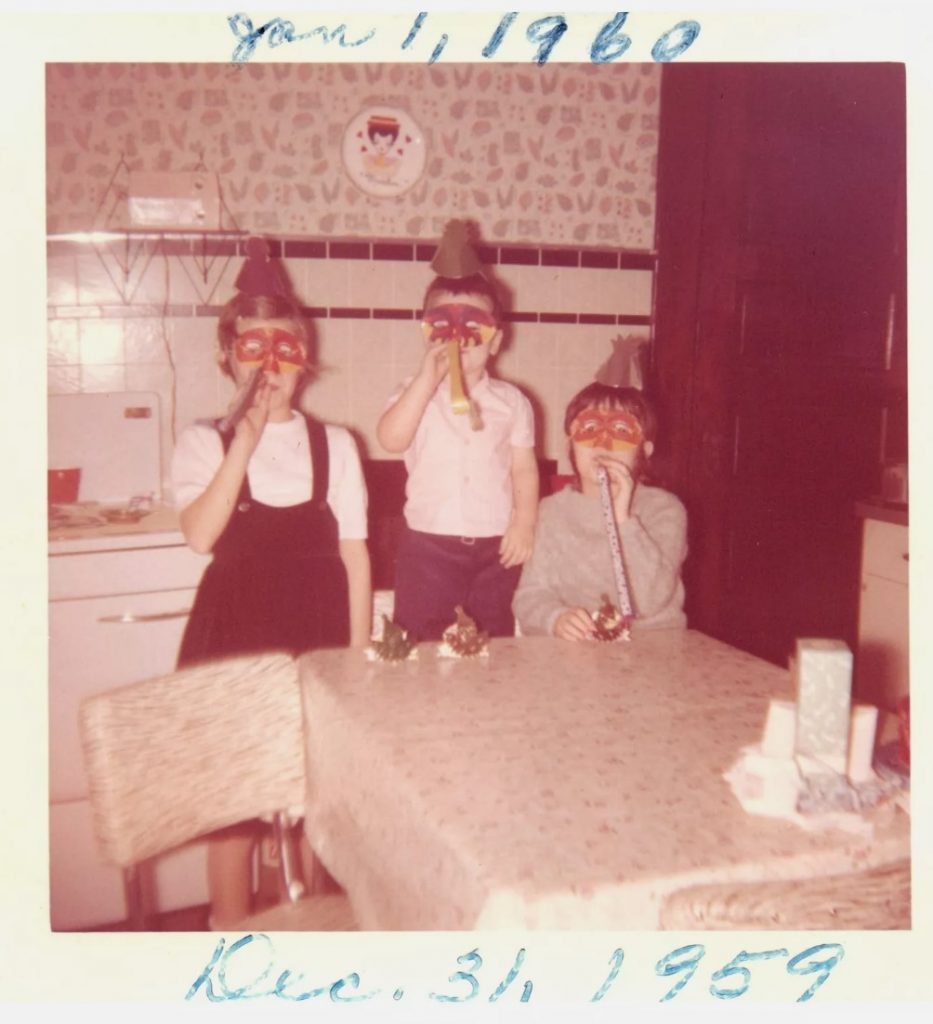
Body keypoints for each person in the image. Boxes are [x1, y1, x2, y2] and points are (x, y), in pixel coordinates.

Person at [171, 238, 371, 927]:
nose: (268, 365)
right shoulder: (203, 441)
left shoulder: (336, 445)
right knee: (235, 798)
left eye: (283, 347)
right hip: (234, 631)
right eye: (251, 348)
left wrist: (356, 656)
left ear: (304, 359)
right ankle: (226, 928)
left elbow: (355, 554)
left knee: (311, 790)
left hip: (314, 636)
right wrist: (245, 439)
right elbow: (200, 535)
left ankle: (305, 920)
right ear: (227, 357)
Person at [376, 221, 539, 640]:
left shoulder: (513, 403)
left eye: (474, 331)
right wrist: (424, 380)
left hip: (495, 546)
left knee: (493, 639)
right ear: (427, 334)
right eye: (443, 328)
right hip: (427, 545)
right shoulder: (411, 394)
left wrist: (524, 523)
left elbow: (523, 470)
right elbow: (391, 439)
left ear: (496, 340)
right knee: (421, 641)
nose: (459, 342)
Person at [512, 382, 686, 639]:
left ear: (644, 451)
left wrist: (623, 521)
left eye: (621, 430)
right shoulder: (551, 512)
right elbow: (530, 596)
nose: (602, 444)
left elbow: (650, 601)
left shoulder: (665, 510)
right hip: (576, 655)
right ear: (570, 445)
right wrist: (555, 618)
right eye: (590, 428)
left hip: (651, 652)